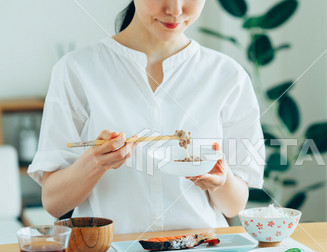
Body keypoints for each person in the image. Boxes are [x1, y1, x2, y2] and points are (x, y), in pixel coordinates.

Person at [28, 0, 265, 234]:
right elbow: (54, 203)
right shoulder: (77, 69)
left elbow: (235, 206)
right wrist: (95, 162)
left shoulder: (228, 75)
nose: (175, 10)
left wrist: (221, 182)